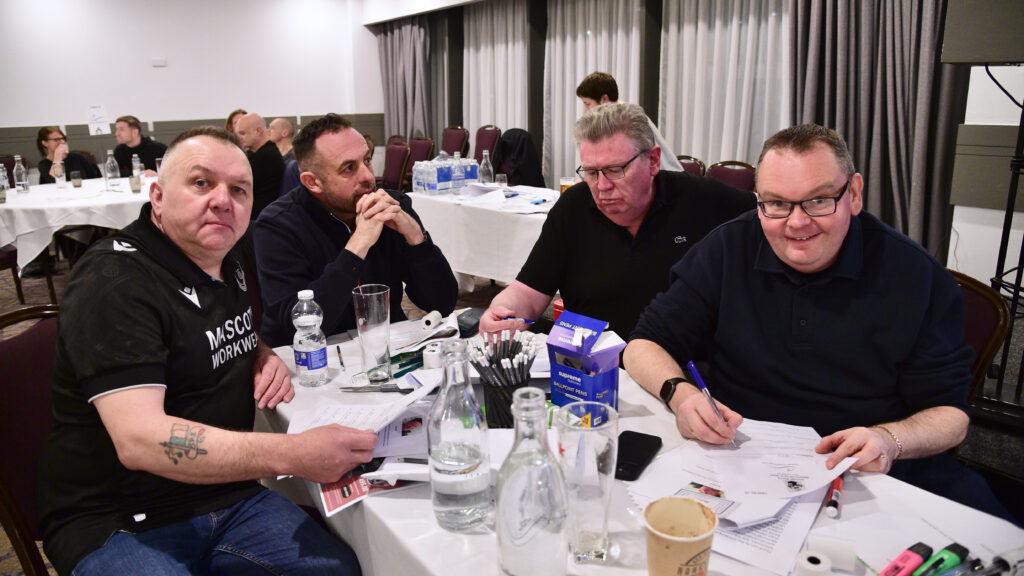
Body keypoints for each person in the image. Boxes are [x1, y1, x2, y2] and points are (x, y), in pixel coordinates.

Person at [623, 123, 1013, 520]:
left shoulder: (915, 276)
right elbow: (643, 344)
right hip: (738, 457)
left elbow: (951, 416)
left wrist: (889, 439)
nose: (796, 223)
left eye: (819, 200)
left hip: (866, 473)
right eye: (776, 203)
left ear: (854, 194)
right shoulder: (728, 247)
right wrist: (680, 393)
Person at [37, 126, 374, 575]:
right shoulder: (113, 282)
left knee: (337, 569)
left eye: (239, 189)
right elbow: (140, 440)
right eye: (201, 183)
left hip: (224, 493)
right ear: (157, 195)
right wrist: (293, 454)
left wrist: (257, 350)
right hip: (117, 517)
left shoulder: (225, 254)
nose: (222, 200)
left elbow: (194, 329)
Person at [479, 103, 754, 338]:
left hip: (681, 371)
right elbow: (529, 291)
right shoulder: (574, 206)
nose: (601, 186)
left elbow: (771, 212)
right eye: (591, 172)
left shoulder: (701, 200)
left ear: (654, 161)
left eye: (614, 170)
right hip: (590, 370)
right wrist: (502, 312)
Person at [253, 113, 458, 347]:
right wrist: (358, 245)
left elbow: (442, 303)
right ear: (313, 182)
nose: (368, 176)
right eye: (349, 168)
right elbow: (300, 328)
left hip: (385, 346)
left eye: (367, 160)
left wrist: (416, 239)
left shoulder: (391, 206)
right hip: (310, 360)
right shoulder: (277, 225)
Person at [576, 72, 684, 173]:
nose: (586, 110)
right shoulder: (622, 113)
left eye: (588, 104)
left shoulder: (622, 120)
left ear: (604, 99)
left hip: (663, 182)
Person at [234, 113, 285, 220]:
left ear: (258, 131)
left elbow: (236, 183)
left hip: (257, 219)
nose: (239, 139)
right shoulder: (262, 154)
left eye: (243, 133)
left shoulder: (267, 157)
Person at [36, 126, 101, 185]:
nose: (62, 142)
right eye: (56, 140)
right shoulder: (43, 165)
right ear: (45, 143)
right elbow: (53, 184)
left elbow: (97, 178)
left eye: (63, 138)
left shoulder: (78, 157)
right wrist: (58, 157)